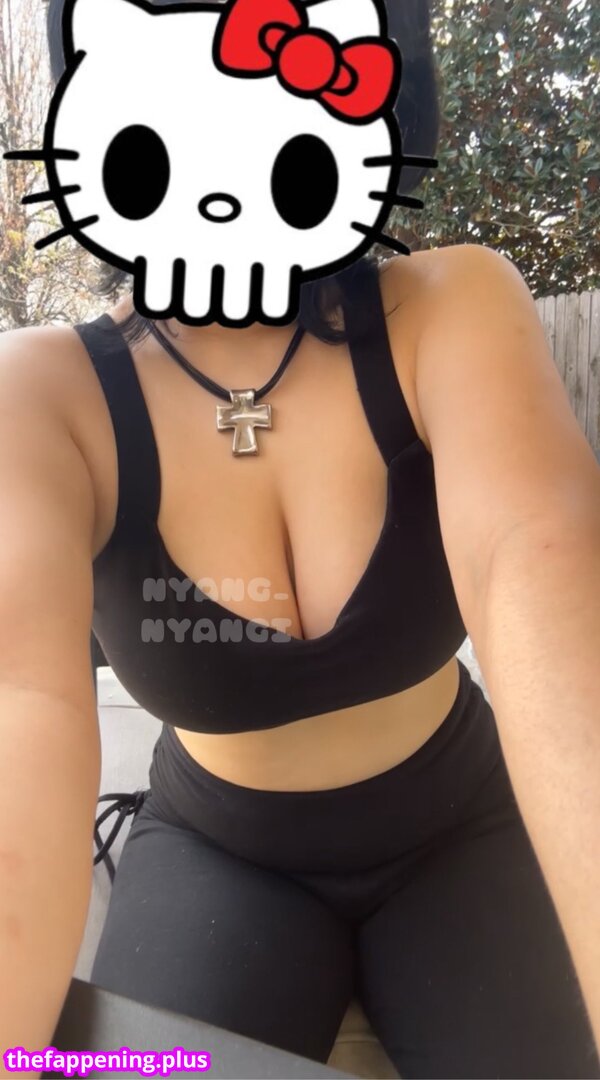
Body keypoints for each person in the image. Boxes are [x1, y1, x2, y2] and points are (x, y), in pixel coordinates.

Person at [1, 1, 599, 1078]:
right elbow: (18, 703)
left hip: (462, 820)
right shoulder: (43, 397)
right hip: (219, 852)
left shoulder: (451, 308)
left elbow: (546, 577)